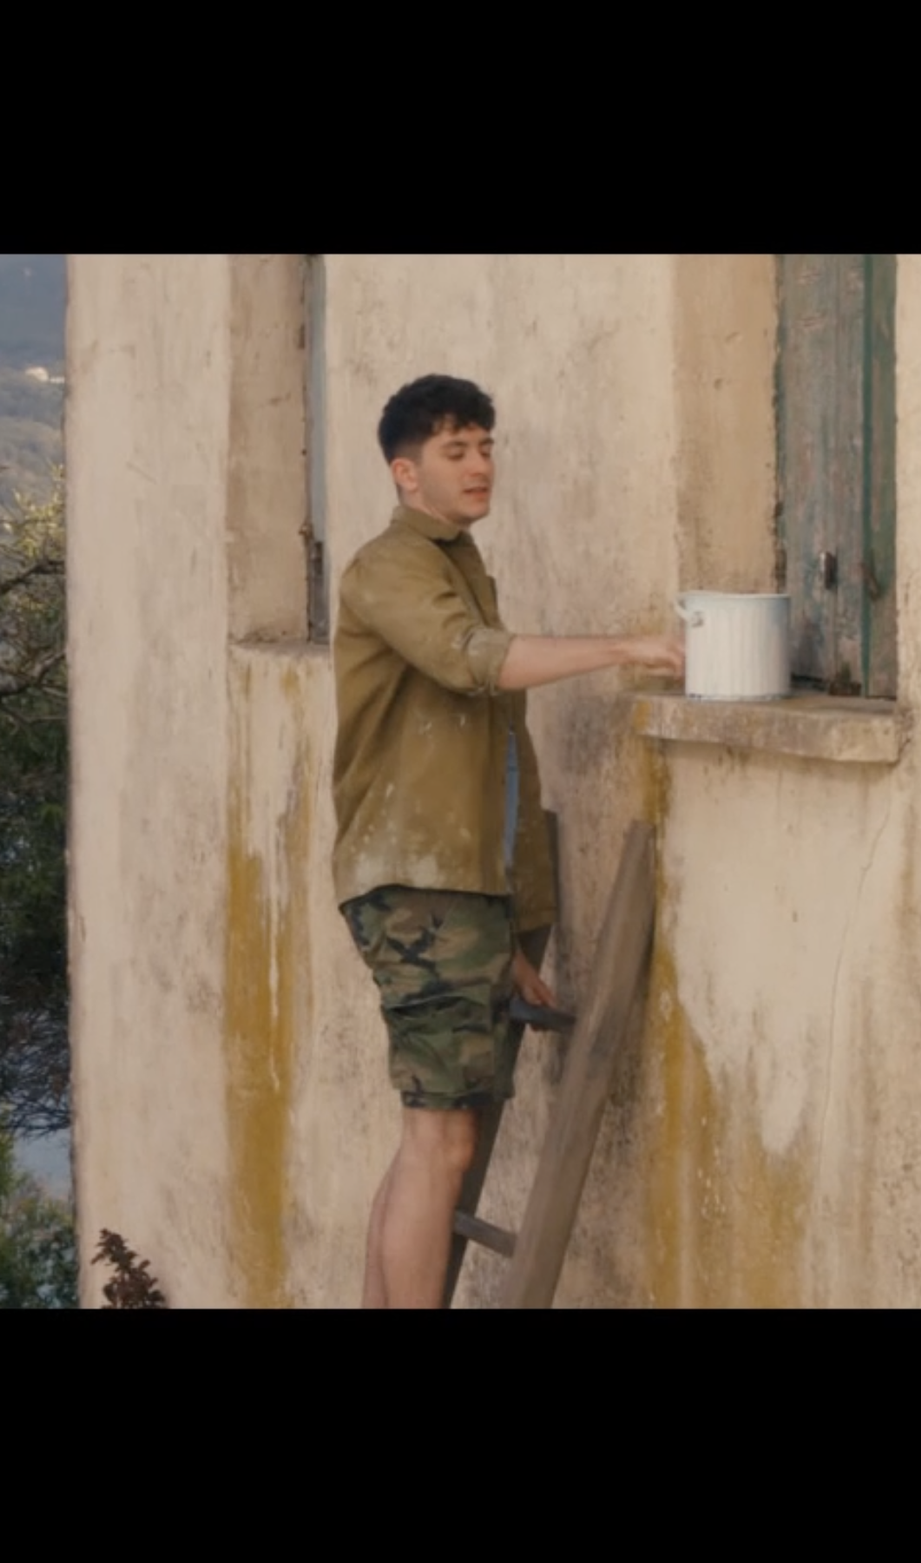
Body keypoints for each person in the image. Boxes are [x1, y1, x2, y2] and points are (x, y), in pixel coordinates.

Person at [331, 373, 684, 1309]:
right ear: (407, 473)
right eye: (457, 450)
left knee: (431, 1140)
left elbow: (498, 763)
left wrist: (511, 928)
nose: (481, 463)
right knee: (442, 1142)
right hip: (419, 884)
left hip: (454, 893)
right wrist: (626, 647)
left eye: (486, 445)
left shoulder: (458, 563)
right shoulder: (392, 566)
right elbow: (473, 663)